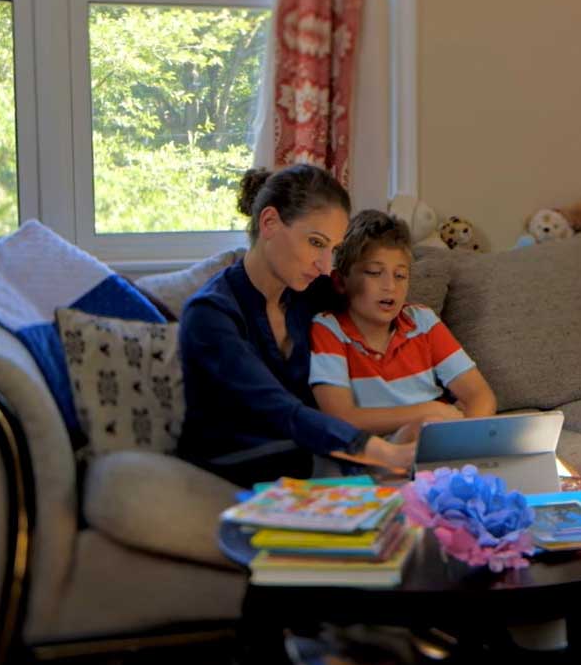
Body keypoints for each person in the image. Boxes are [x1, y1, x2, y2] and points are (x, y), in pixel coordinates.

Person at [175, 166, 415, 487]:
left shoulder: (308, 293)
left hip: (307, 452)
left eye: (333, 250)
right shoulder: (210, 315)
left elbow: (373, 302)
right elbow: (279, 409)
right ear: (270, 222)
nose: (325, 265)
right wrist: (383, 453)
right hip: (235, 465)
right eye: (316, 243)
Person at [308, 210, 496, 436]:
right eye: (375, 273)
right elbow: (341, 417)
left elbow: (480, 396)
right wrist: (428, 412)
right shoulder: (329, 329)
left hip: (439, 442)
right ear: (340, 281)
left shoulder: (422, 321)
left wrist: (466, 437)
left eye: (400, 276)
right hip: (380, 453)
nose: (390, 286)